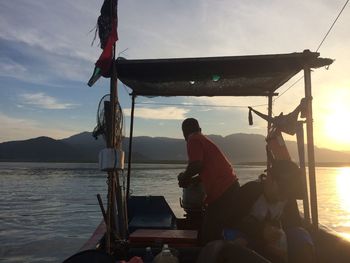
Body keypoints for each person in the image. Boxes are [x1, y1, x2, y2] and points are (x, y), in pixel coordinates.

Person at [226, 160, 315, 263]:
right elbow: (231, 222)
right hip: (250, 243)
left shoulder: (288, 199)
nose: (283, 197)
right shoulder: (249, 192)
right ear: (269, 178)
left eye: (289, 192)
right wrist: (261, 235)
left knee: (301, 235)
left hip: (276, 247)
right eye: (282, 190)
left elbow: (294, 224)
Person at [177, 118, 239, 245]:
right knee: (219, 231)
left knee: (209, 234)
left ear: (185, 132)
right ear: (199, 129)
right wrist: (193, 179)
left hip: (223, 192)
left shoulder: (193, 139)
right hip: (231, 189)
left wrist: (184, 177)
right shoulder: (203, 139)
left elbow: (196, 165)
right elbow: (208, 169)